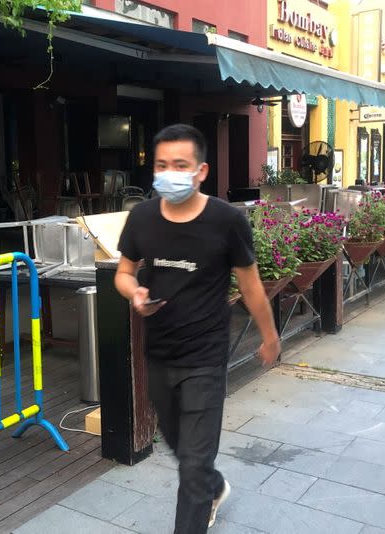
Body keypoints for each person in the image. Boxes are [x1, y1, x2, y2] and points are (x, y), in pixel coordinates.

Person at [115, 124, 281, 533]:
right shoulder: (142, 217)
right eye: (161, 164)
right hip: (159, 352)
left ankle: (200, 491)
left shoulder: (226, 221)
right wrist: (134, 292)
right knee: (177, 444)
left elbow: (251, 284)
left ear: (201, 170)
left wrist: (270, 336)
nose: (170, 172)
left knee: (192, 462)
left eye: (180, 165)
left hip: (205, 356)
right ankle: (214, 485)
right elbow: (123, 271)